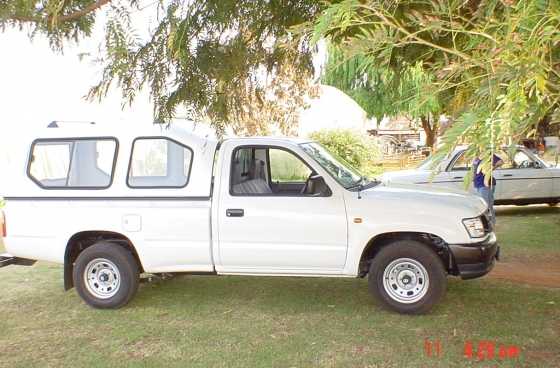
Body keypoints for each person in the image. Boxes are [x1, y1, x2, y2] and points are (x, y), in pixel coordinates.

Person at [472, 153, 504, 224]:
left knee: (486, 206)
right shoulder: (476, 155)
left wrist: (492, 169)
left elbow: (500, 162)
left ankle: (489, 224)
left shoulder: (488, 154)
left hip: (485, 185)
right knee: (484, 206)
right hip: (478, 184)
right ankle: (489, 224)